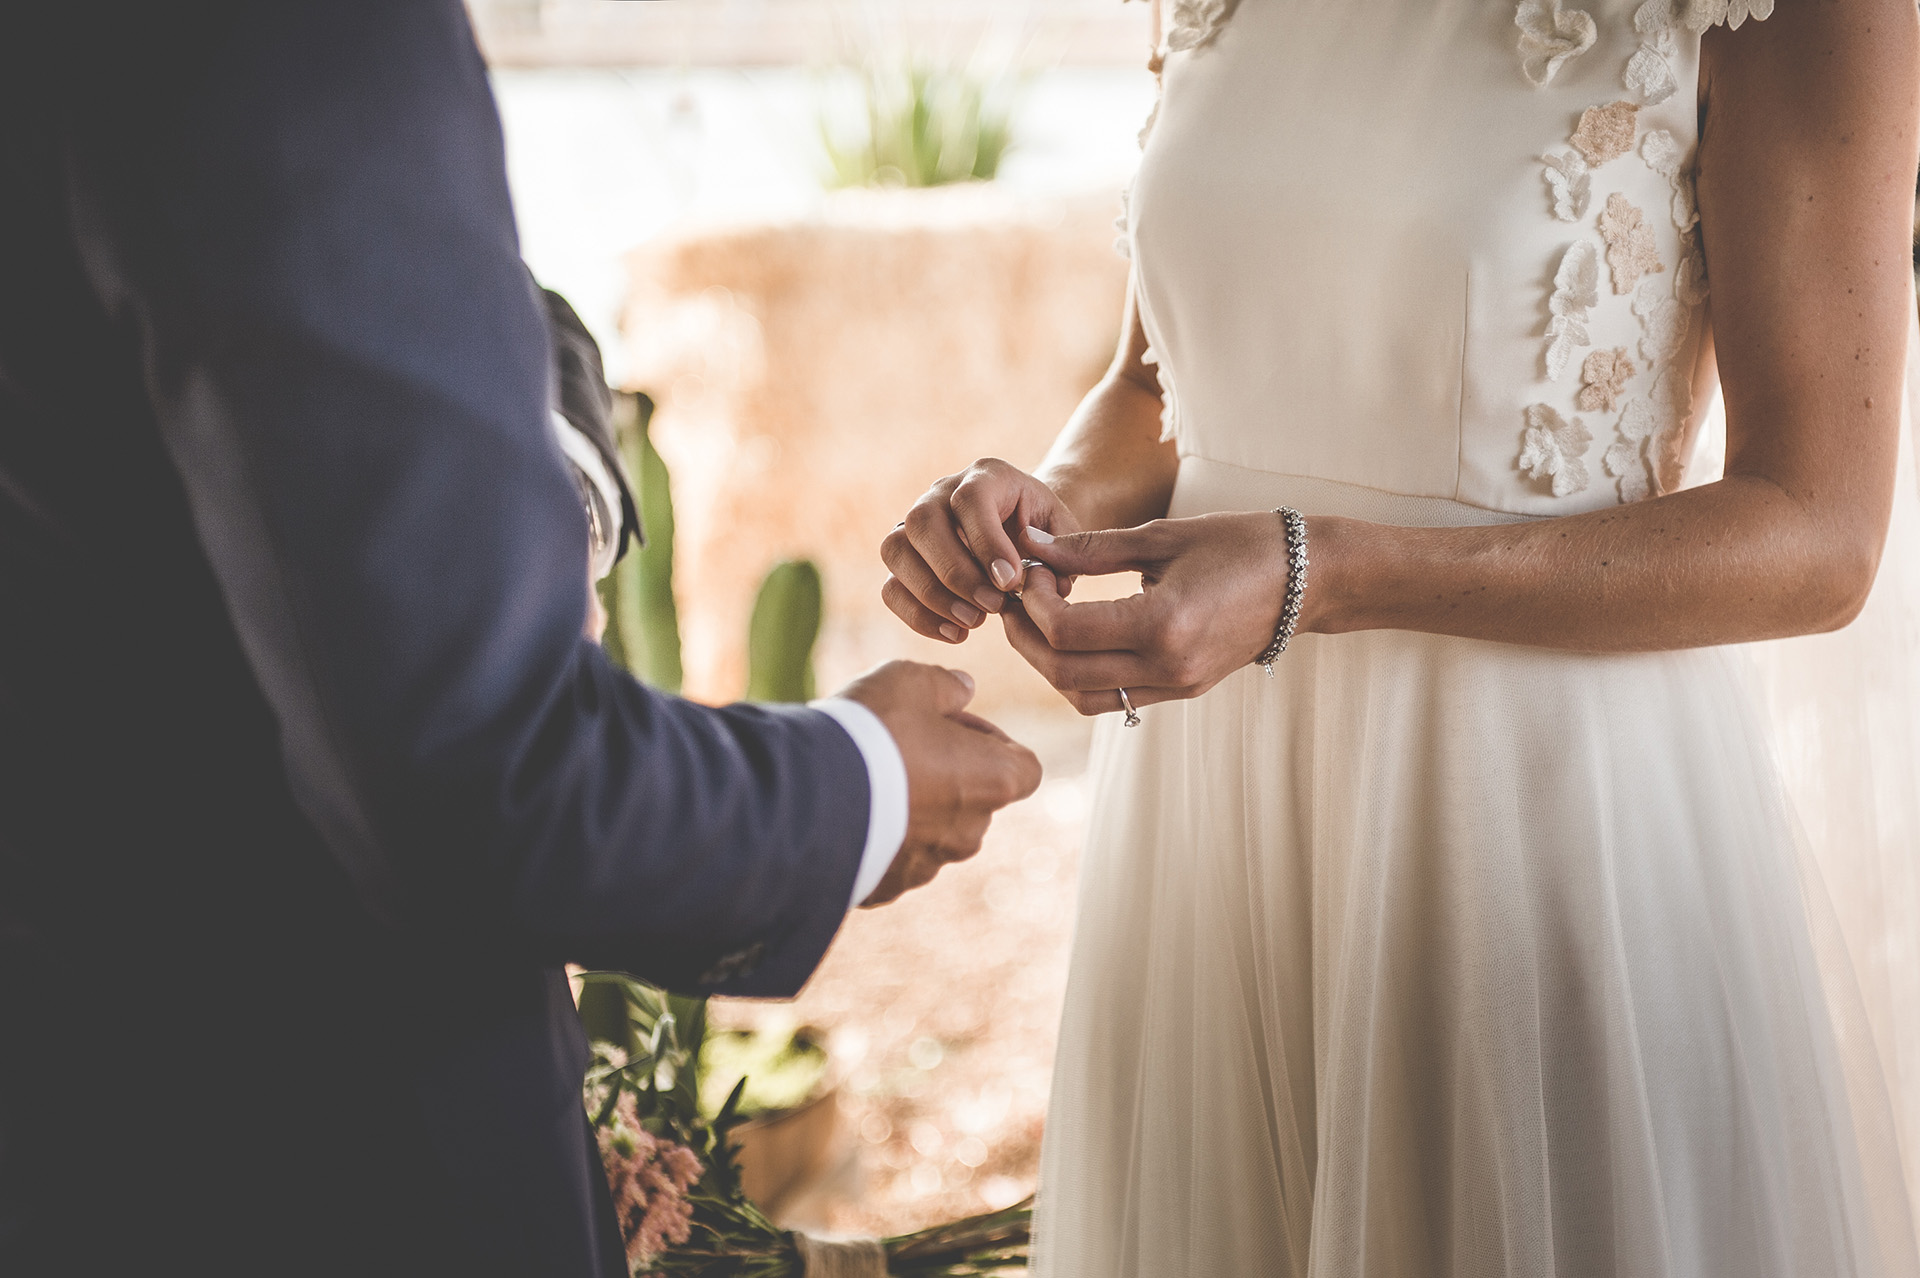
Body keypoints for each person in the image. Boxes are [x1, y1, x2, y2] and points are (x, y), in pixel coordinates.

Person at [0, 3, 1039, 1275]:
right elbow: (484, 775)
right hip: (289, 1155)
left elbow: (424, 311)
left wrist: (544, 500)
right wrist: (861, 784)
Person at [886, 1, 1920, 1274]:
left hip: (1532, 829)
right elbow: (1159, 385)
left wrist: (1322, 575)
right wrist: (1039, 510)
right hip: (1210, 833)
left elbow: (1818, 536)